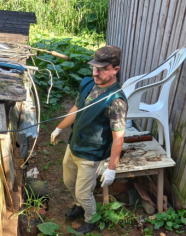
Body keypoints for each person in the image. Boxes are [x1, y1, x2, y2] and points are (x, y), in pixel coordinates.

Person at [50, 45, 128, 234]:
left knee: (84, 193)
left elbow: (119, 137)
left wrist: (111, 168)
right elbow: (76, 108)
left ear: (115, 69)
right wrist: (59, 128)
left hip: (91, 155)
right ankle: (79, 204)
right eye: (94, 67)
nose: (95, 73)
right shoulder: (88, 84)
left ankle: (90, 219)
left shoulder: (116, 101)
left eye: (101, 69)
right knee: (69, 182)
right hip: (74, 145)